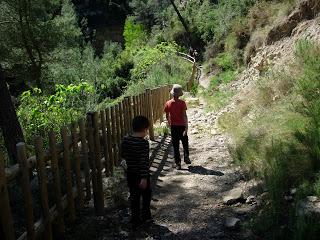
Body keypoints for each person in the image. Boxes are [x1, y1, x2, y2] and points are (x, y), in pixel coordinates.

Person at [121, 116, 152, 230]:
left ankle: (135, 219)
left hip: (130, 173)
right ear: (144, 129)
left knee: (134, 196)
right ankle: (146, 215)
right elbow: (144, 162)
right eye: (147, 129)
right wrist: (144, 178)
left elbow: (123, 155)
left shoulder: (125, 140)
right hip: (142, 175)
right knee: (146, 195)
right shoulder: (144, 143)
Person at [164, 84, 191, 169]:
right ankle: (186, 156)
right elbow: (184, 115)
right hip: (182, 126)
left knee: (175, 145)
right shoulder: (182, 103)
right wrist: (186, 127)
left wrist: (169, 123)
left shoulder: (168, 103)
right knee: (185, 142)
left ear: (172, 93)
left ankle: (178, 163)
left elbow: (167, 115)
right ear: (180, 94)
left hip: (174, 127)